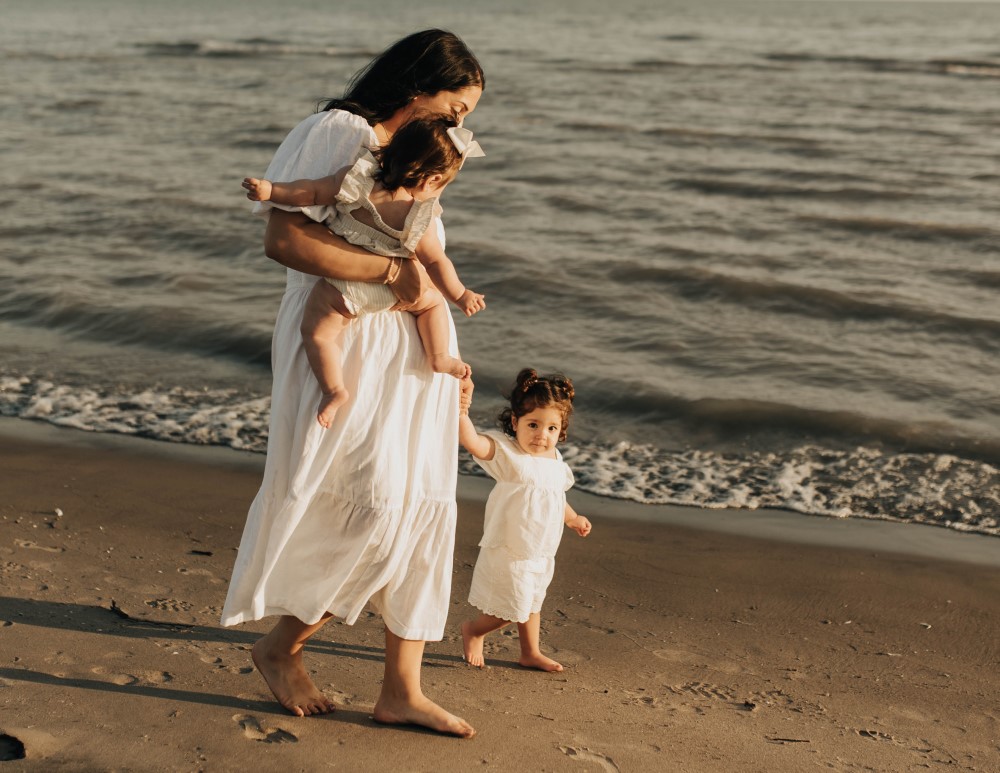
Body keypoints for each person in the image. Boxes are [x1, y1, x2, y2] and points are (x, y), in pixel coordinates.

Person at [220, 29, 484, 738]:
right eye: (456, 106)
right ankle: (282, 645)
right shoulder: (340, 130)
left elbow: (422, 247)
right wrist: (393, 276)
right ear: (417, 86)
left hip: (412, 352)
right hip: (348, 337)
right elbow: (286, 238)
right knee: (367, 507)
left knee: (421, 507)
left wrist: (444, 342)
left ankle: (402, 687)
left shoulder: (421, 156)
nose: (461, 125)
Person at [242, 116, 486, 428]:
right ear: (432, 181)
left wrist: (272, 190)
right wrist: (460, 295)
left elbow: (311, 193)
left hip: (348, 285)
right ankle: (439, 356)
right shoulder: (418, 217)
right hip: (397, 290)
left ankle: (334, 391)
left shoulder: (356, 180)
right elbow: (437, 263)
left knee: (317, 333)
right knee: (433, 304)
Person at [457, 369, 592, 672]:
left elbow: (556, 497)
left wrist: (573, 518)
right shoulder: (508, 455)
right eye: (533, 424)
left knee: (532, 601)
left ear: (561, 431)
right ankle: (474, 630)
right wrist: (461, 411)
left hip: (540, 549)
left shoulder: (555, 462)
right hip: (510, 546)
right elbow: (473, 443)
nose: (541, 435)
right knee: (512, 606)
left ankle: (530, 652)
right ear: (515, 422)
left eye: (551, 428)